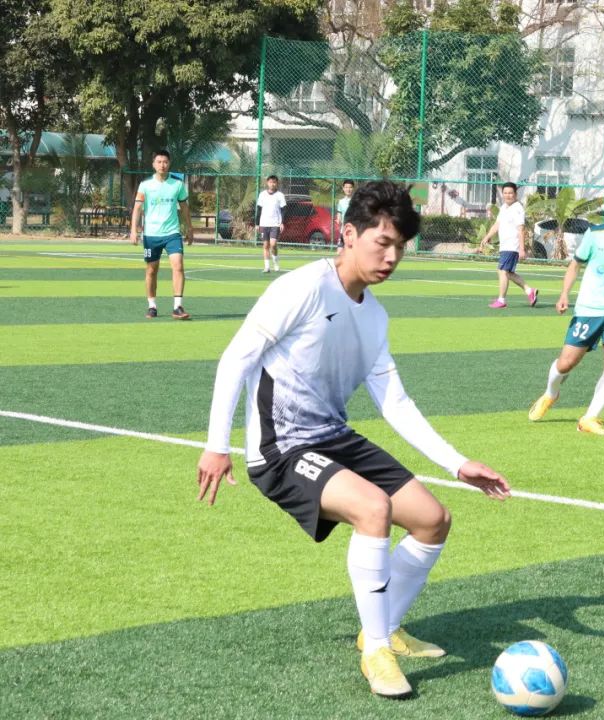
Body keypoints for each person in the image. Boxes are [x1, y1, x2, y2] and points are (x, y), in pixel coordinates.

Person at [195, 181, 510, 699]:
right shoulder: (302, 288)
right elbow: (236, 359)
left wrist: (457, 464)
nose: (391, 257)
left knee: (433, 520)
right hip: (282, 449)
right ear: (348, 234)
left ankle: (382, 626)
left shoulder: (375, 316)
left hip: (334, 437)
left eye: (400, 247)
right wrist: (216, 444)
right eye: (381, 243)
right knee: (372, 508)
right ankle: (377, 651)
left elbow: (395, 402)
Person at [527, 185, 604, 436]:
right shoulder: (595, 234)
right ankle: (551, 393)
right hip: (589, 309)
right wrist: (564, 294)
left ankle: (589, 418)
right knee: (566, 363)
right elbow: (575, 265)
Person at [129, 150, 193, 320]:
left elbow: (184, 207)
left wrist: (189, 228)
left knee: (178, 265)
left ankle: (177, 307)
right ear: (153, 164)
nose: (162, 165)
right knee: (151, 270)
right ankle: (152, 306)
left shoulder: (177, 184)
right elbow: (137, 208)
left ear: (169, 163)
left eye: (165, 162)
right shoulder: (145, 185)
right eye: (159, 162)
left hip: (173, 233)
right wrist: (133, 230)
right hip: (151, 235)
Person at [478, 182, 538, 308]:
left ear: (515, 194)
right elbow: (497, 224)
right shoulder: (504, 207)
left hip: (512, 246)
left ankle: (501, 300)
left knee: (502, 271)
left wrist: (522, 249)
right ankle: (529, 291)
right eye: (505, 193)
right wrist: (487, 236)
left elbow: (521, 230)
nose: (507, 195)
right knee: (507, 273)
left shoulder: (517, 208)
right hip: (505, 246)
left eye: (510, 193)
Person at [256, 175, 287, 273]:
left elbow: (283, 210)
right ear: (267, 183)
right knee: (266, 245)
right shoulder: (262, 194)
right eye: (270, 182)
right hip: (264, 223)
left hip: (275, 224)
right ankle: (267, 267)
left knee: (273, 245)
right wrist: (257, 224)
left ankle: (276, 263)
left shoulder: (280, 195)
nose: (272, 184)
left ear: (277, 183)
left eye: (274, 182)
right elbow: (259, 209)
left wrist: (282, 223)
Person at [336, 179, 355, 256]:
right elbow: (339, 214)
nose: (348, 189)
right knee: (339, 252)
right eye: (346, 187)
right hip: (343, 231)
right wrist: (338, 220)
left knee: (352, 253)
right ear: (343, 188)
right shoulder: (341, 202)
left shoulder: (356, 201)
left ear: (353, 188)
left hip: (353, 231)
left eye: (350, 187)